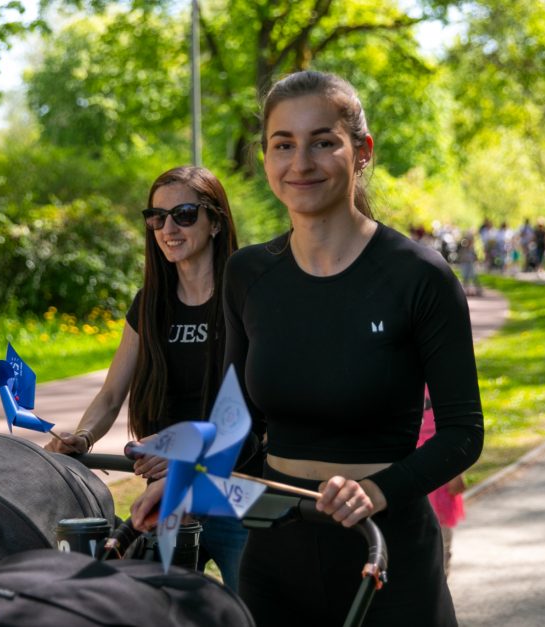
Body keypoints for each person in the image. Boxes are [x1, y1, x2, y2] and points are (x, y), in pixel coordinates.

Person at [176, 70, 482, 626]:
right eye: (283, 145)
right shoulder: (248, 275)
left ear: (361, 151)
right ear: (265, 157)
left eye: (323, 141)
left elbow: (463, 434)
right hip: (273, 549)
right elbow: (233, 420)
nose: (301, 163)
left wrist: (376, 490)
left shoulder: (420, 277)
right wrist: (182, 485)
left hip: (385, 551)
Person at [45, 165, 249, 590]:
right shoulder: (149, 304)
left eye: (184, 215)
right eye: (156, 217)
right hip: (165, 496)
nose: (167, 228)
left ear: (215, 222)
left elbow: (258, 404)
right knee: (160, 611)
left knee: (252, 612)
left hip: (234, 494)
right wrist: (82, 437)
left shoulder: (246, 298)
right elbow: (111, 394)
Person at [417, 387, 466, 578]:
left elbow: (456, 429)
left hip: (440, 458)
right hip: (409, 458)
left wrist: (457, 471)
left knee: (442, 524)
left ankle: (442, 572)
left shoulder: (439, 380)